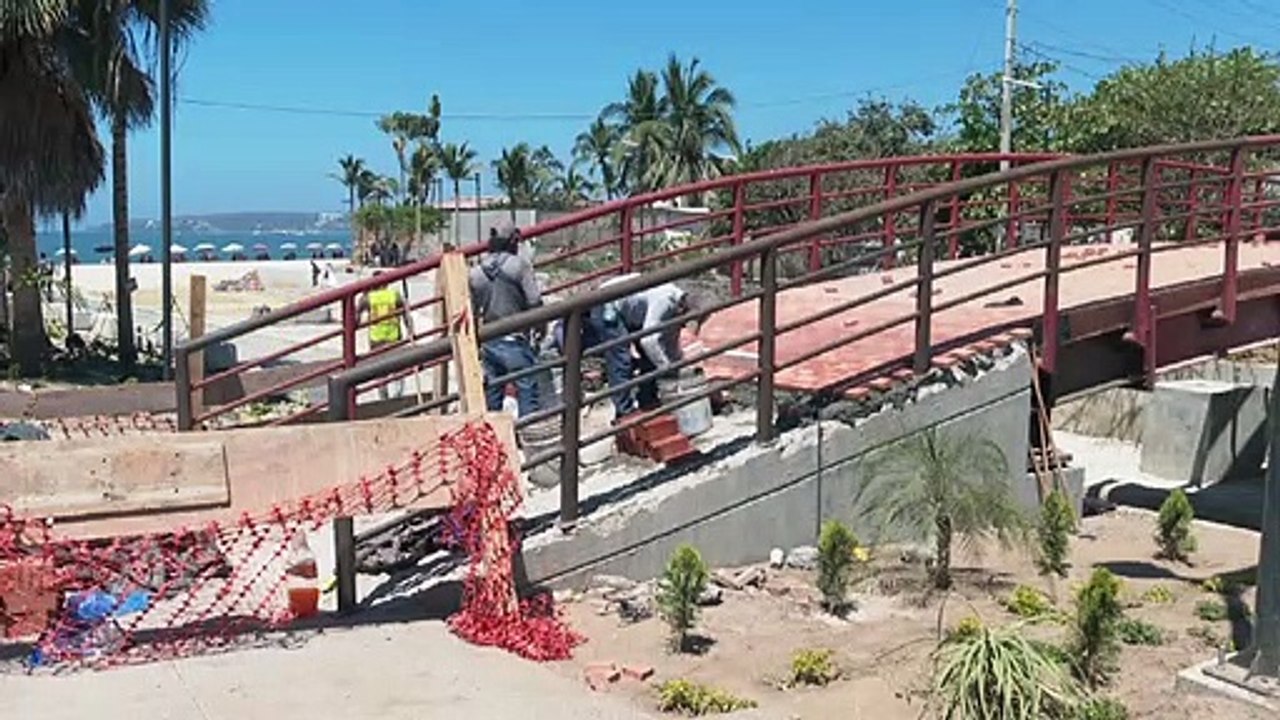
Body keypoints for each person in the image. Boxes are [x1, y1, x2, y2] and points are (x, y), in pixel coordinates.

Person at [597, 273, 704, 411]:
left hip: (632, 311)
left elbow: (669, 343)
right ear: (682, 310)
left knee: (651, 357)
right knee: (621, 359)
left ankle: (648, 401)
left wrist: (677, 366)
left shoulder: (676, 310)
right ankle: (624, 411)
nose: (682, 327)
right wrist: (665, 367)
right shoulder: (664, 301)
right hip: (608, 303)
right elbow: (648, 341)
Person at [469, 222, 543, 416]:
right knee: (527, 391)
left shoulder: (476, 273)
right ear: (513, 241)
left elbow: (472, 311)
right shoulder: (519, 266)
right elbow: (535, 301)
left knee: (493, 396)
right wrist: (540, 329)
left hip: (489, 341)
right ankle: (529, 437)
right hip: (515, 339)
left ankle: (496, 441)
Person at [356, 271, 414, 400]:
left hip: (376, 339)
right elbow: (407, 316)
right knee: (398, 370)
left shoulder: (368, 298)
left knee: (380, 373)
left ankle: (384, 399)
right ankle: (398, 397)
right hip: (394, 337)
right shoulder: (395, 295)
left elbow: (355, 320)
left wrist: (363, 295)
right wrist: (411, 332)